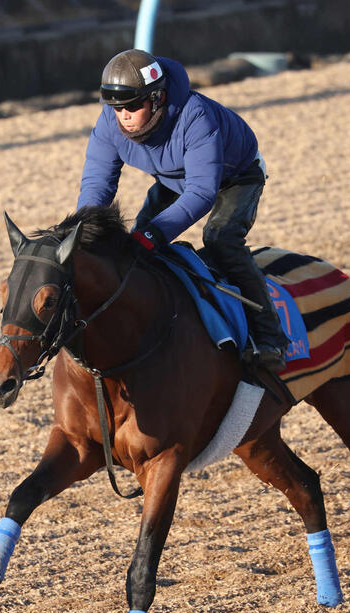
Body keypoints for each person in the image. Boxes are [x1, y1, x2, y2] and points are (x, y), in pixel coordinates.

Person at [77, 49, 289, 371]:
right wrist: (85, 229)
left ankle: (270, 335)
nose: (123, 116)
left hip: (235, 178)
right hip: (176, 179)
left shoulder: (196, 115)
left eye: (133, 105)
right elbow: (98, 183)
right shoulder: (110, 121)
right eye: (116, 107)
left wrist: (154, 233)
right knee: (135, 248)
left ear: (158, 98)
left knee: (220, 239)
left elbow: (203, 192)